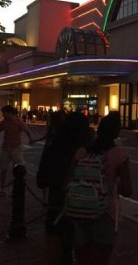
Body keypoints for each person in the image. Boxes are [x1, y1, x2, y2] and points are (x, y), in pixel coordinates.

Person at [70, 110, 132, 265]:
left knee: (82, 256)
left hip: (78, 208)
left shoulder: (83, 151)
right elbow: (128, 190)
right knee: (100, 257)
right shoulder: (119, 154)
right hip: (104, 211)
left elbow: (69, 180)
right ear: (116, 132)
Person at [42, 111, 91, 265]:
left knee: (55, 252)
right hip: (84, 207)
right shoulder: (89, 151)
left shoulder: (53, 146)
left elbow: (41, 180)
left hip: (57, 205)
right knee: (83, 252)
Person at [0, 104, 34, 197]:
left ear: (10, 113)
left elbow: (27, 130)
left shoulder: (18, 121)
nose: (3, 115)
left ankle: (16, 189)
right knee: (3, 169)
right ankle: (2, 189)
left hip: (16, 148)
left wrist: (30, 138)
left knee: (18, 170)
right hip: (5, 148)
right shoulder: (4, 121)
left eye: (4, 113)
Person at [36, 109, 67, 205]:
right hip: (53, 154)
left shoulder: (56, 129)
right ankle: (48, 199)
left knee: (47, 176)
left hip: (49, 153)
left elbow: (46, 137)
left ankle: (47, 200)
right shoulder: (61, 130)